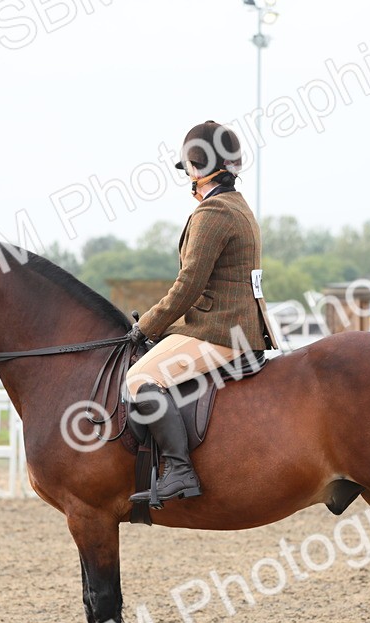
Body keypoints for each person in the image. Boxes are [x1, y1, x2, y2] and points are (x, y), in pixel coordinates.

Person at [124, 120, 276, 506]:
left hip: (223, 331)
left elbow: (190, 284)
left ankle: (179, 471)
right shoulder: (237, 206)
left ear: (197, 169)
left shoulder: (214, 213)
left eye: (188, 169)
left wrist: (146, 326)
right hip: (234, 322)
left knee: (139, 377)